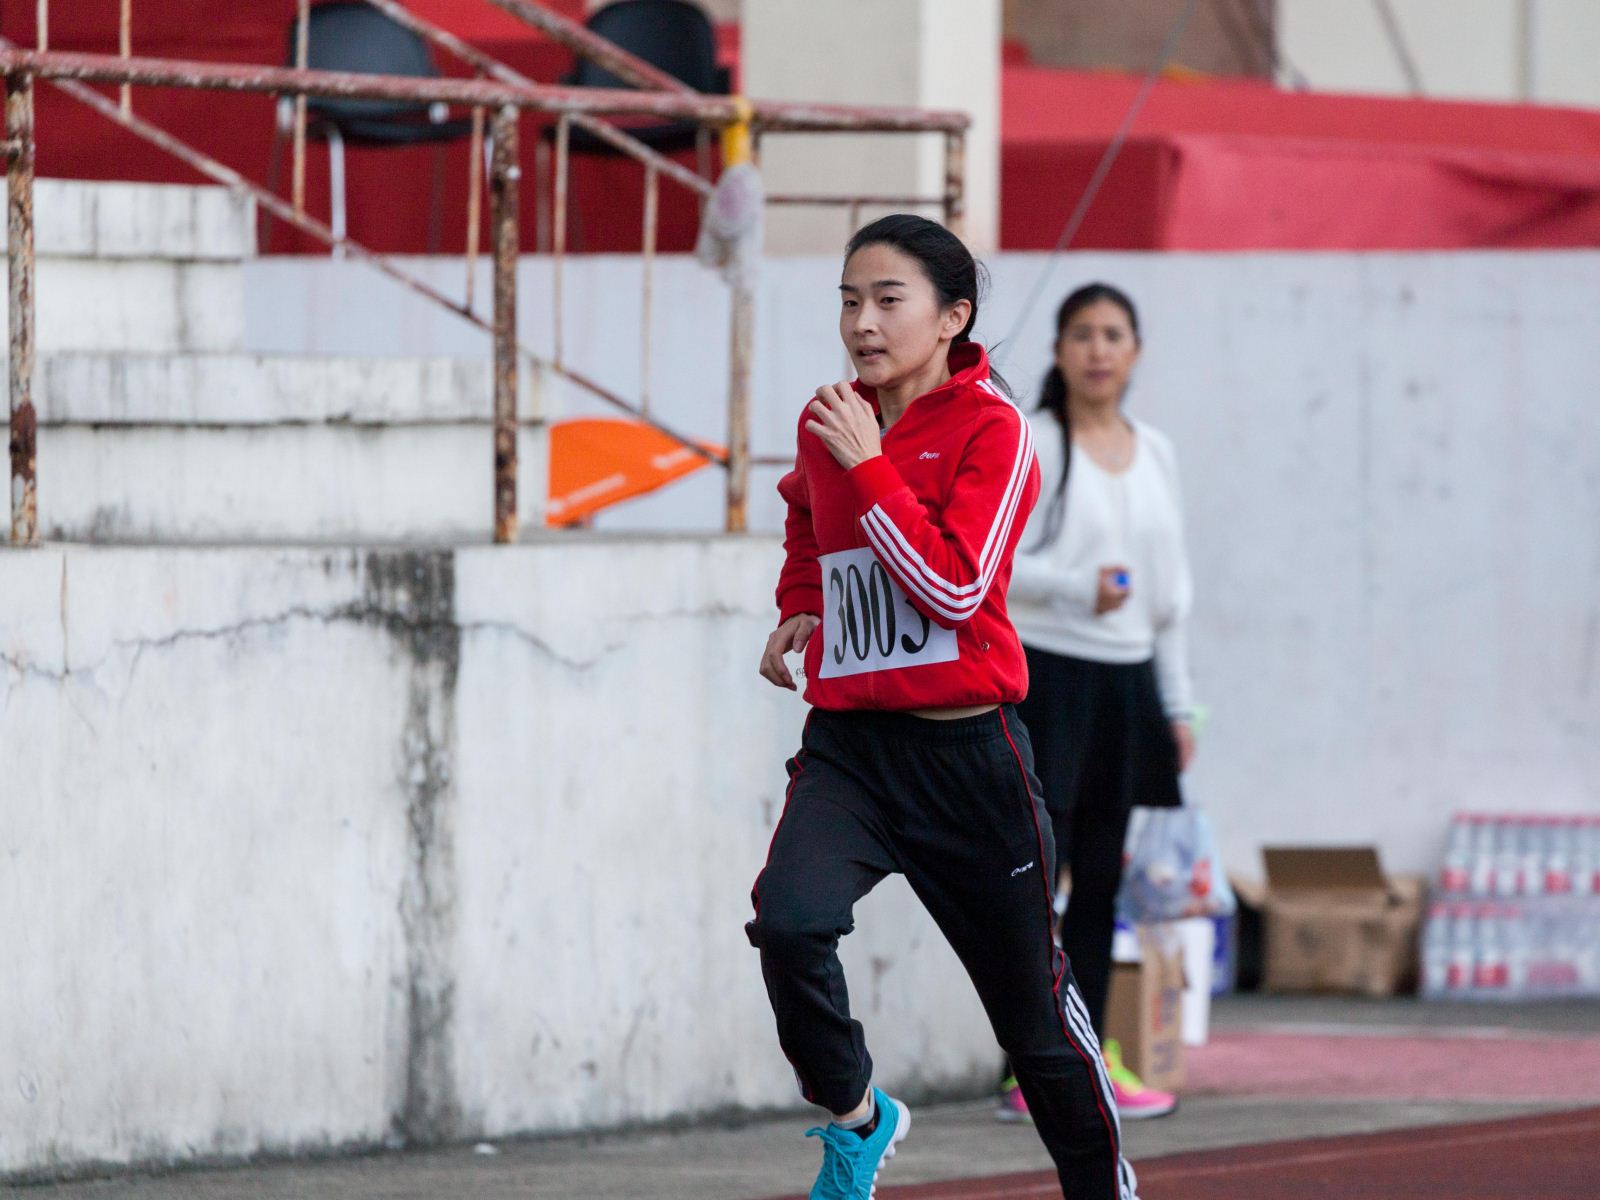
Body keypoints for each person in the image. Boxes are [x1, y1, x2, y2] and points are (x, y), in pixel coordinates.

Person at [749, 217, 1140, 1200]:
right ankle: (857, 1117)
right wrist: (801, 602)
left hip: (968, 761)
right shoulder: (829, 417)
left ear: (952, 316)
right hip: (850, 750)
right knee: (789, 924)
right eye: (849, 301)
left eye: (889, 301)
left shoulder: (993, 431)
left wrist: (869, 465)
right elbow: (806, 515)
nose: (863, 323)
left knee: (1033, 1026)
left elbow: (955, 590)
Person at [998, 283, 1195, 1123]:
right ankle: (1031, 1067)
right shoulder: (1034, 441)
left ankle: (1085, 1057)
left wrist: (1178, 705)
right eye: (1082, 334)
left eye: (1114, 334)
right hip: (1049, 674)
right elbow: (990, 564)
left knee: (1103, 880)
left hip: (1129, 681)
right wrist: (1080, 588)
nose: (1098, 350)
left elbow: (1172, 595)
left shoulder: (1156, 451)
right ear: (1058, 351)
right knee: (1040, 879)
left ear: (1136, 350)